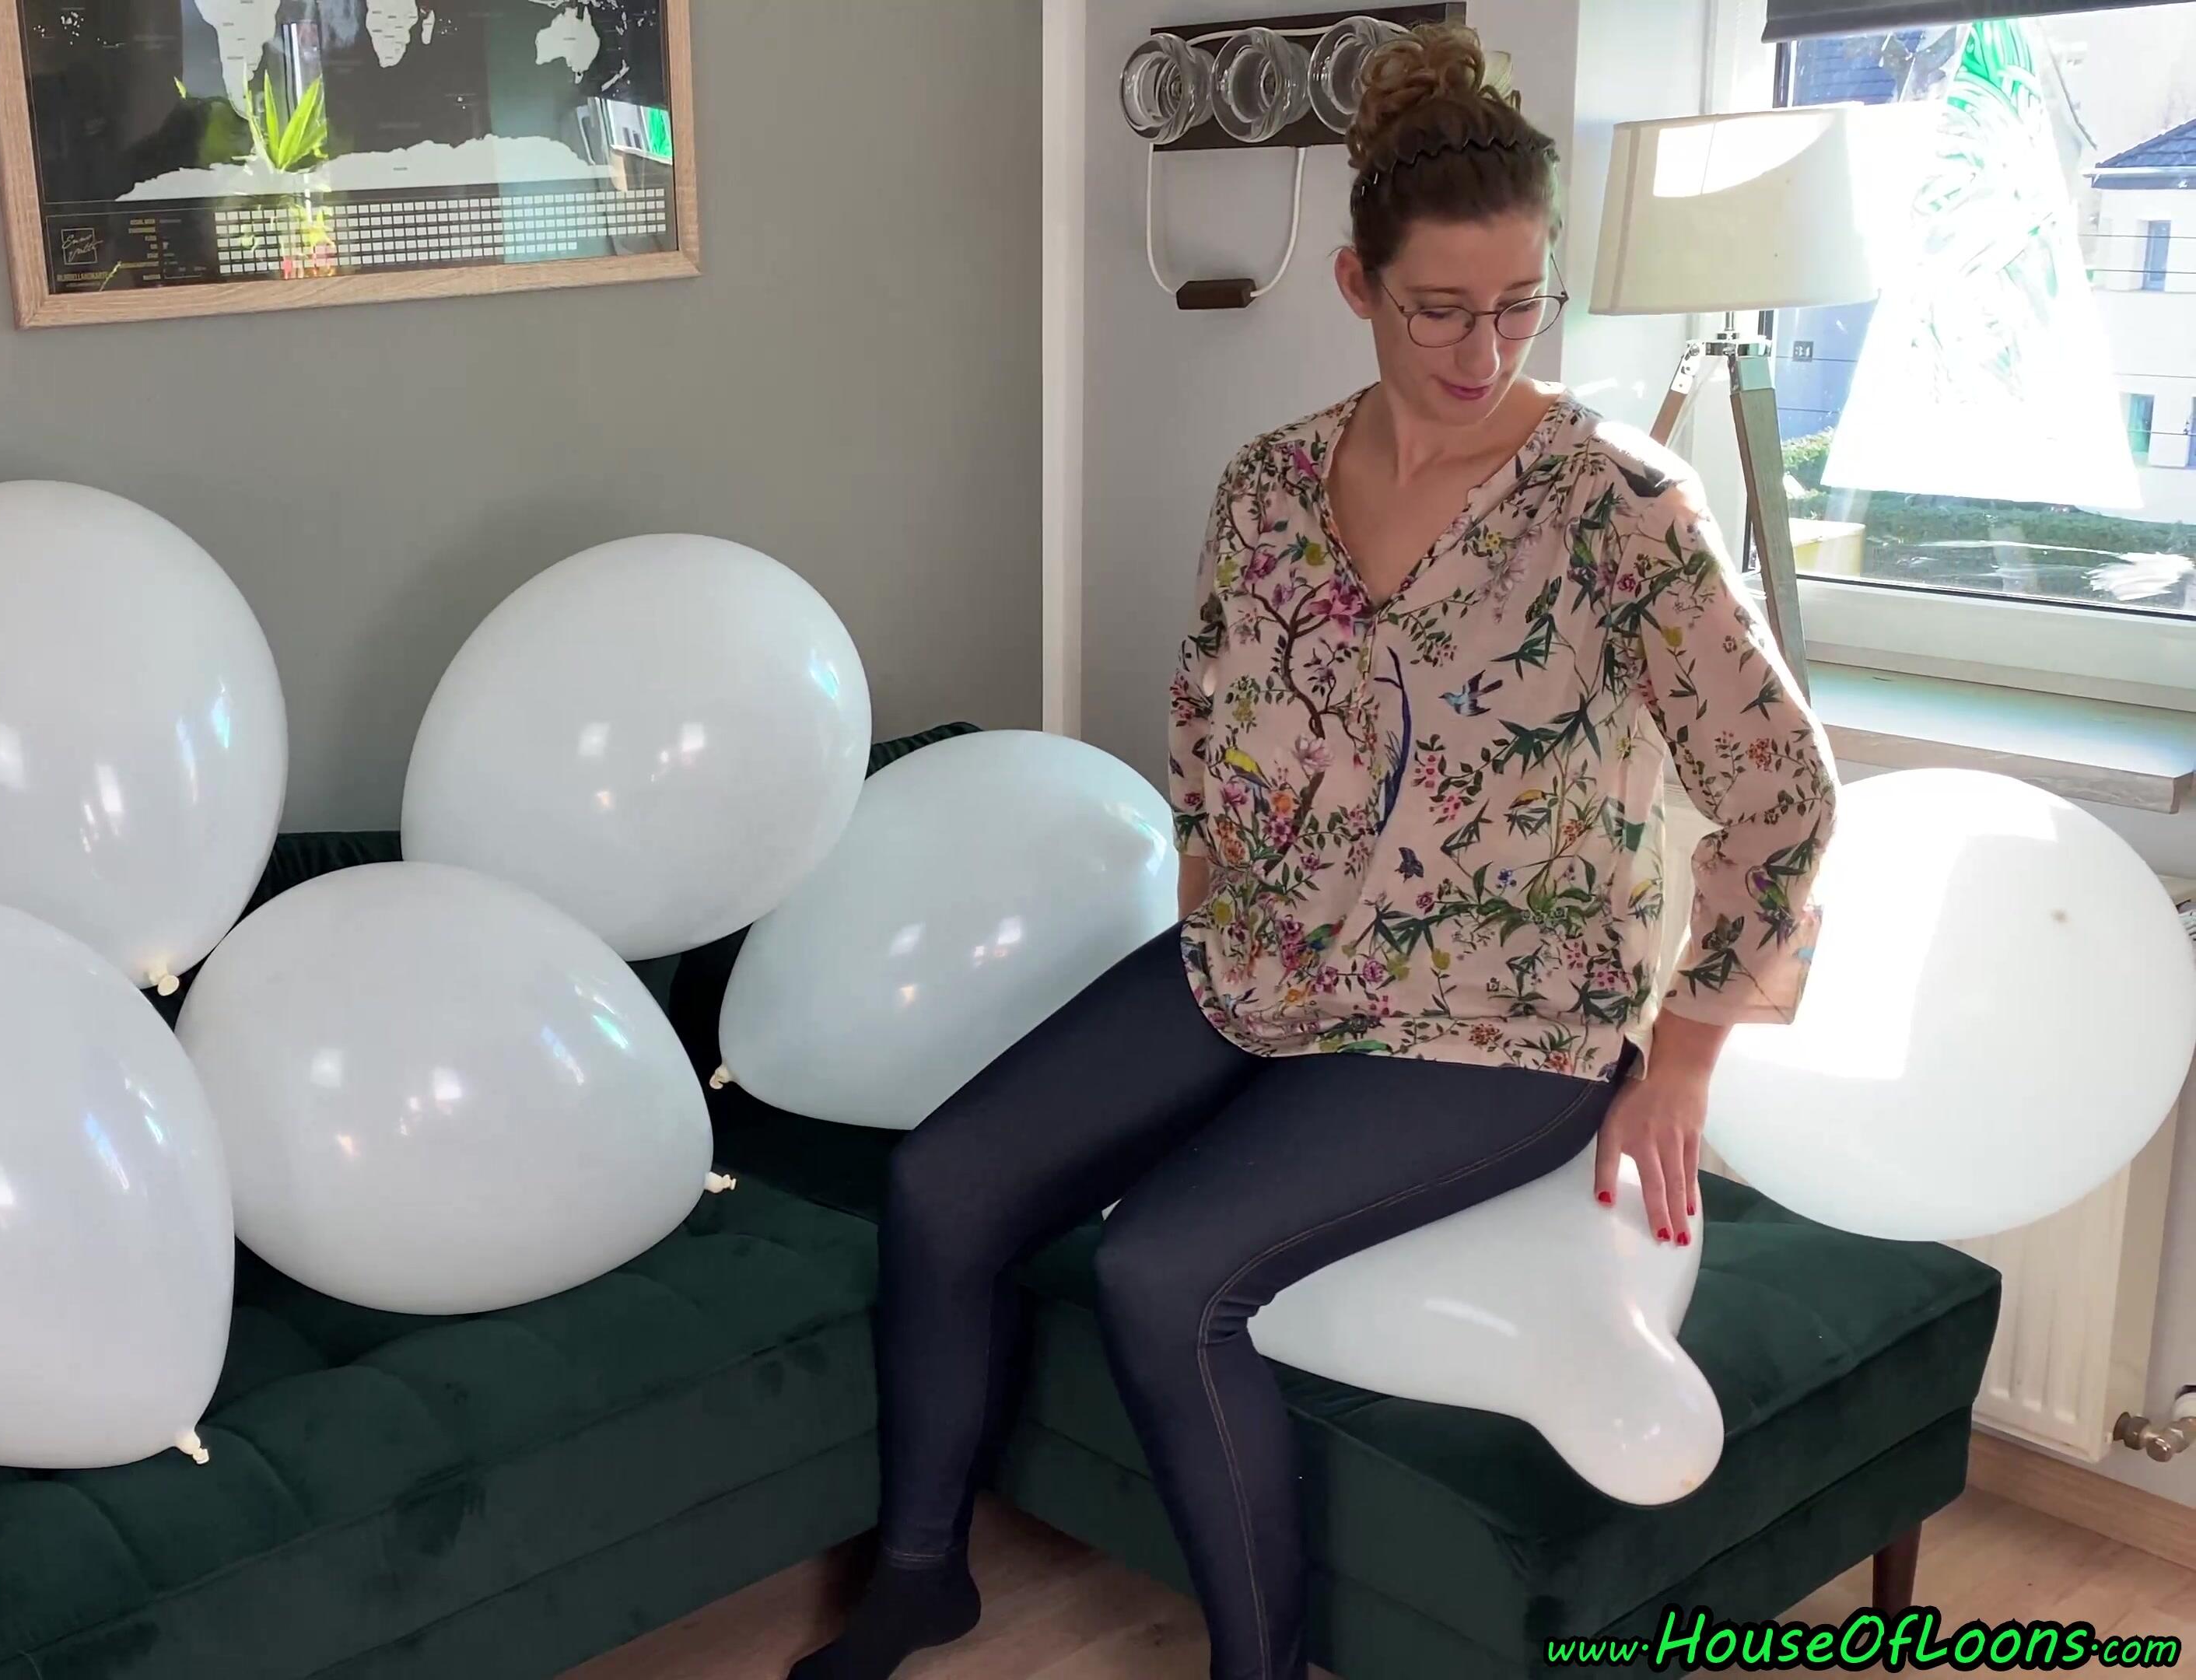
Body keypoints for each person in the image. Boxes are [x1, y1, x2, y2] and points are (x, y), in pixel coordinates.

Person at [786, 23, 1838, 1680]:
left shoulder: (1620, 508)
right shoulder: (1270, 484)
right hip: (1270, 959)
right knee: (941, 1186)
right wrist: (1209, 938)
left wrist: (1685, 1059)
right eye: (1441, 309)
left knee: (1160, 1271)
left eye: (1521, 303)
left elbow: (1782, 787)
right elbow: (1210, 715)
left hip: (1501, 1016)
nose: (1486, 347)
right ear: (1357, 284)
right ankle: (922, 1573)